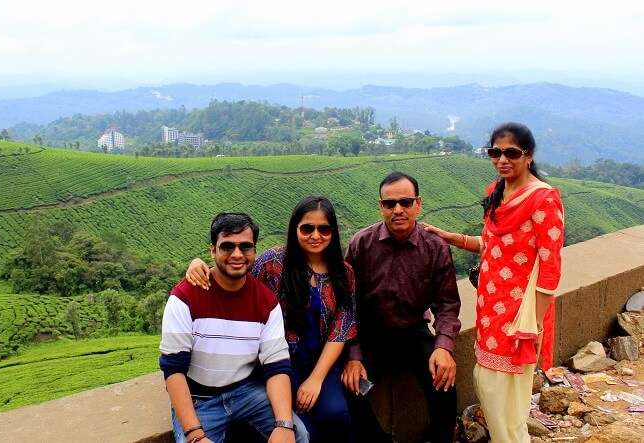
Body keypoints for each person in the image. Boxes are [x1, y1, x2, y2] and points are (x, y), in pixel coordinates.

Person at [424, 122, 565, 442]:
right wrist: (450, 237)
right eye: (495, 152)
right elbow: (490, 245)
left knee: (507, 399)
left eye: (511, 153)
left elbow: (550, 264)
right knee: (487, 383)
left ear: (528, 156)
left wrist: (536, 323)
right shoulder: (496, 192)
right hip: (490, 308)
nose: (502, 159)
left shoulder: (544, 199)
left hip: (520, 314)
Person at [186, 196, 357, 443]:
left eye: (324, 229)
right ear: (295, 229)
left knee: (336, 413)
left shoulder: (344, 273)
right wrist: (197, 264)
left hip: (323, 362)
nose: (315, 235)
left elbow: (341, 329)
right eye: (307, 228)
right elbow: (235, 277)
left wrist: (316, 379)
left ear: (333, 232)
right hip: (278, 361)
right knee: (300, 424)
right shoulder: (273, 262)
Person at [159, 212, 308, 443]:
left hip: (246, 391)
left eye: (245, 247)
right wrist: (195, 435)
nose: (237, 254)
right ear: (213, 251)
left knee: (298, 436)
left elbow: (276, 366)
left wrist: (284, 425)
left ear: (254, 252)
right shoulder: (185, 297)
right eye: (227, 246)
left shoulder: (265, 302)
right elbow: (173, 370)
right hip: (199, 398)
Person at [342, 171, 461, 443]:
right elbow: (347, 304)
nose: (398, 210)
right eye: (389, 203)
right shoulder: (362, 244)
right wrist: (354, 354)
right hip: (371, 337)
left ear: (418, 204)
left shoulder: (434, 247)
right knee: (351, 388)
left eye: (406, 202)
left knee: (444, 384)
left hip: (413, 333)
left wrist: (443, 347)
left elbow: (447, 302)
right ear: (380, 206)